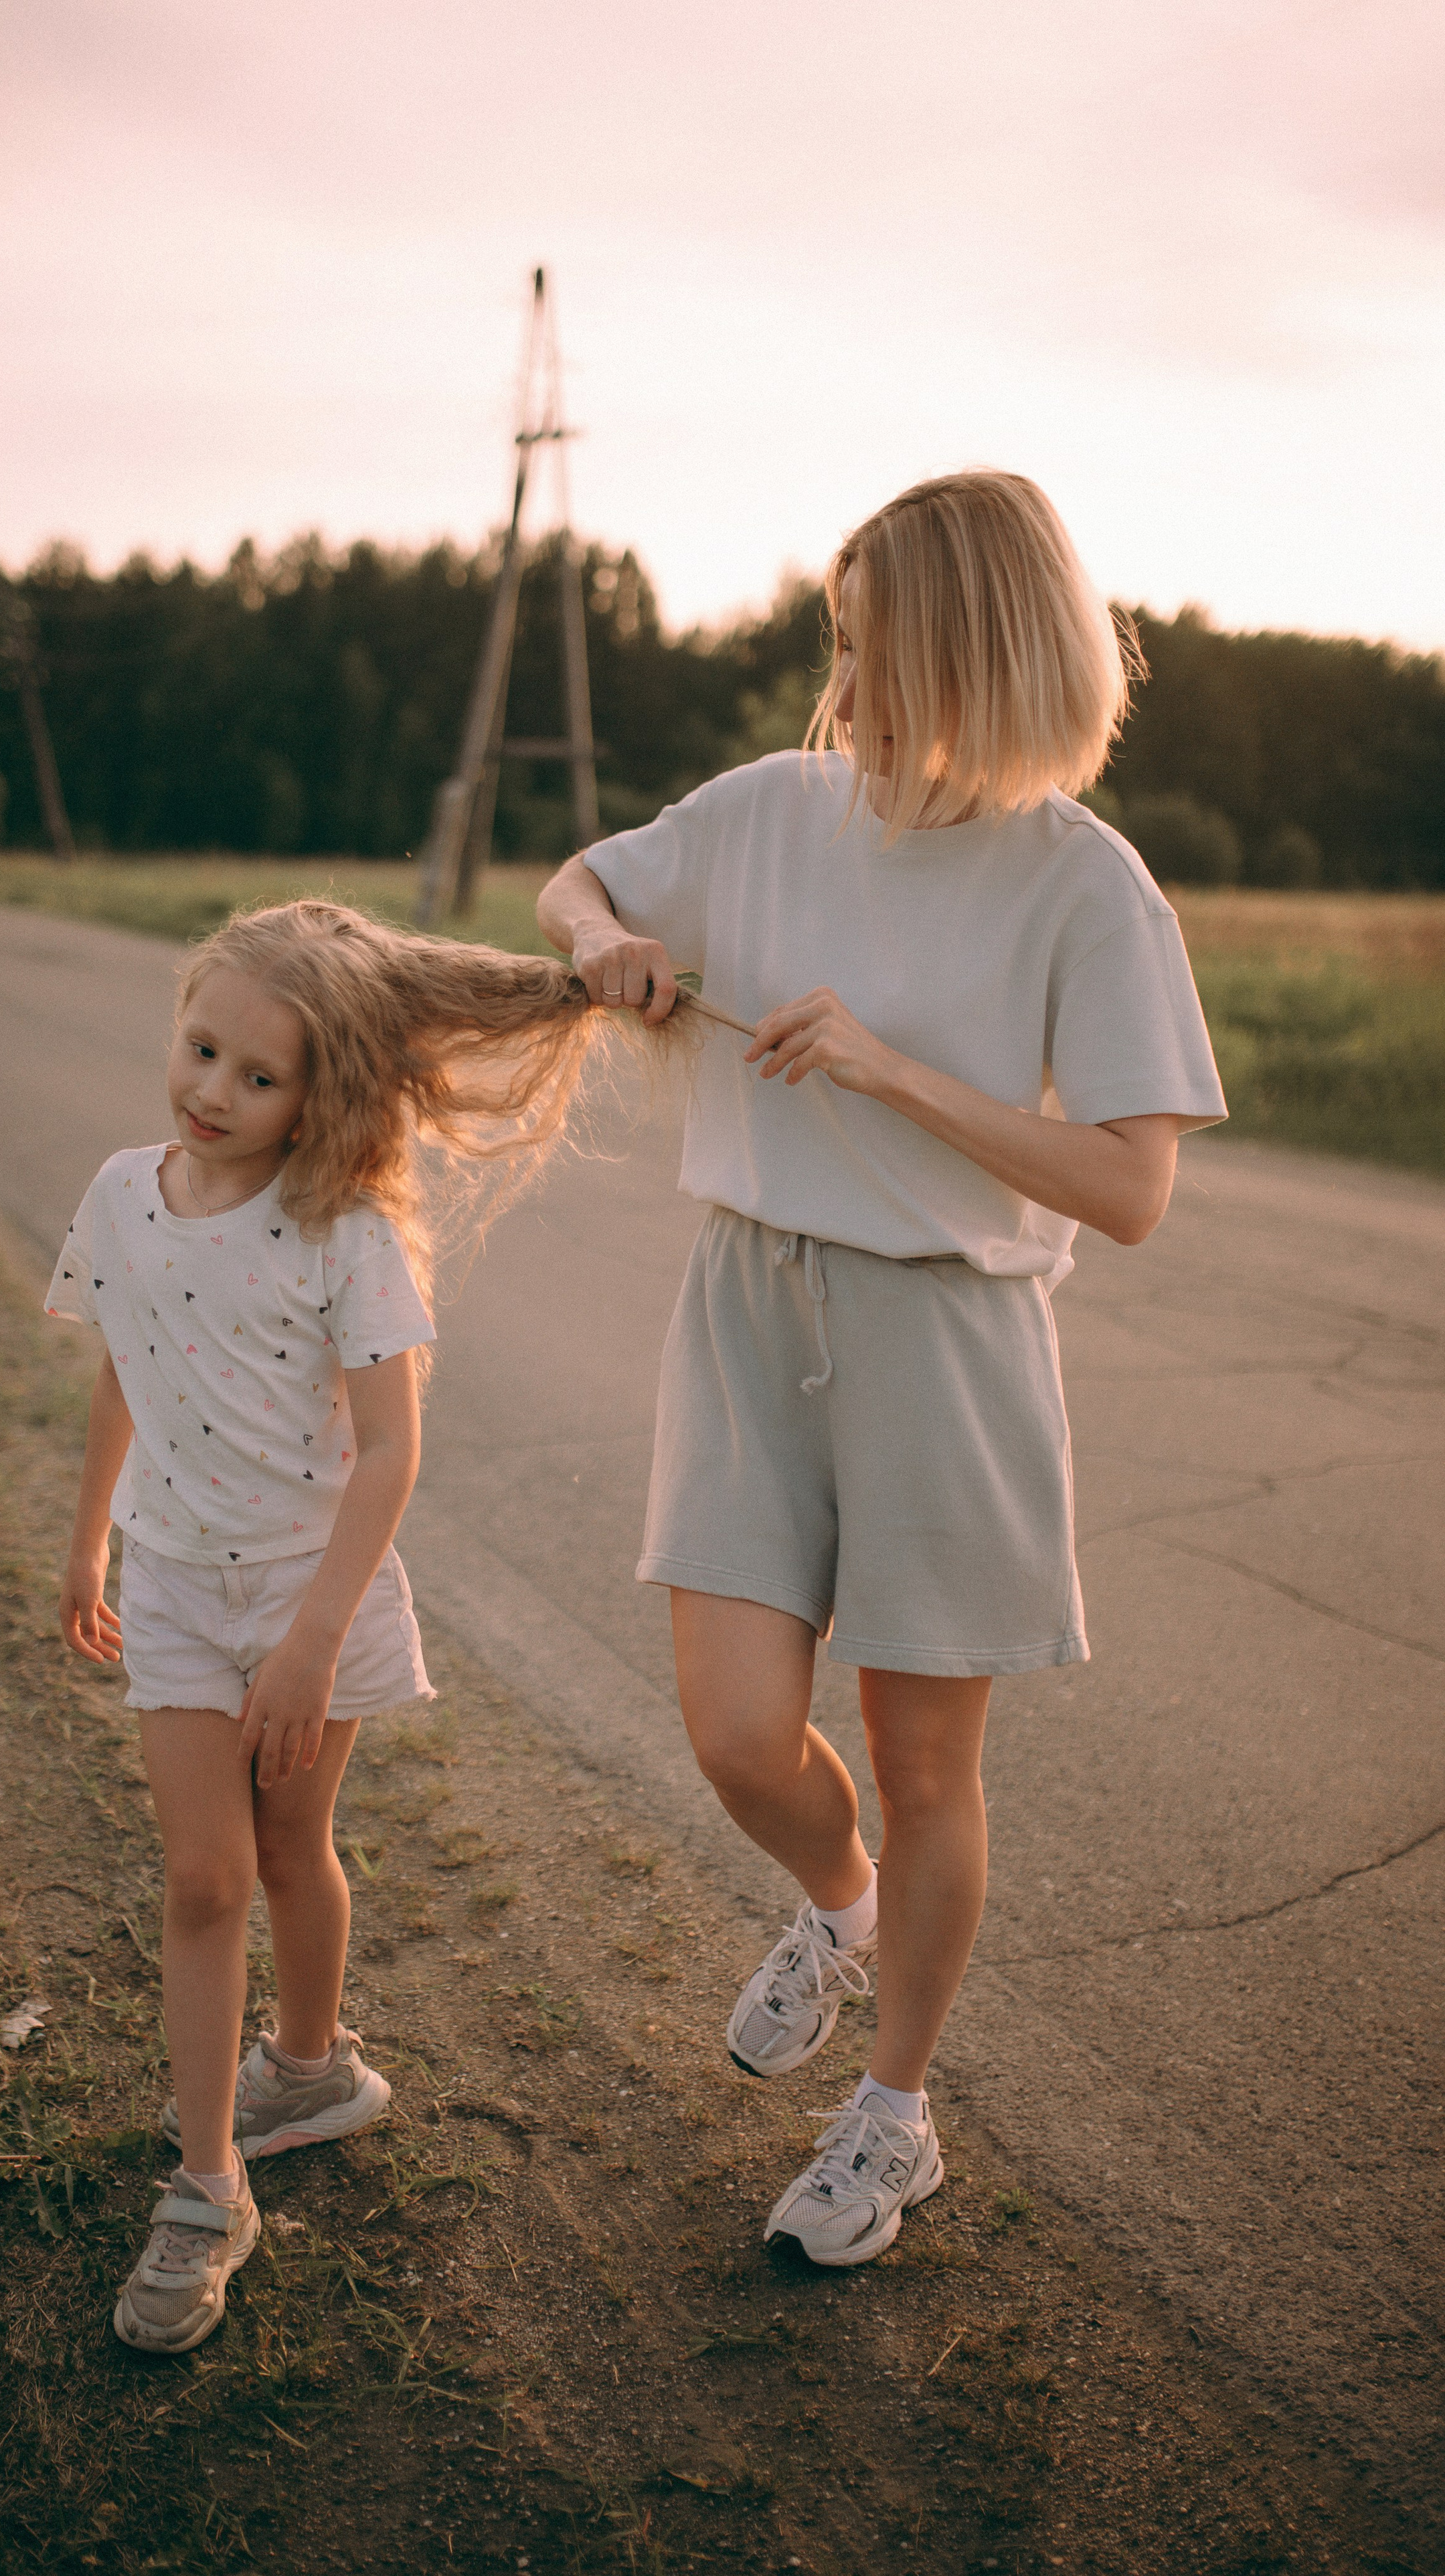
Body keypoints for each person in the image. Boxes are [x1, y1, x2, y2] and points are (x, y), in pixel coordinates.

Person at [537, 470, 1226, 2268]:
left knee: (926, 1768)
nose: (838, 689)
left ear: (978, 653)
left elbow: (1131, 1191)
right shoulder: (770, 809)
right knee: (734, 1733)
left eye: (874, 651)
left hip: (949, 1338)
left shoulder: (1085, 883)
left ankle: (892, 2118)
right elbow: (581, 876)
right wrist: (603, 940)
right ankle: (837, 1910)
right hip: (747, 1302)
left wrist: (894, 1072)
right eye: (836, 644)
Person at [48, 898, 616, 2352]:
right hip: (177, 1587)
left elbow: (391, 1451)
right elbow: (124, 1366)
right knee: (204, 1876)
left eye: (260, 1076)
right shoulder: (120, 1194)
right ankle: (206, 2187)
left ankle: (310, 2070)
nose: (213, 1092)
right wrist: (89, 1537)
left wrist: (310, 1642)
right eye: (202, 1049)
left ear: (321, 1095)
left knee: (294, 1850)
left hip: (318, 1599)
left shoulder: (345, 1233)